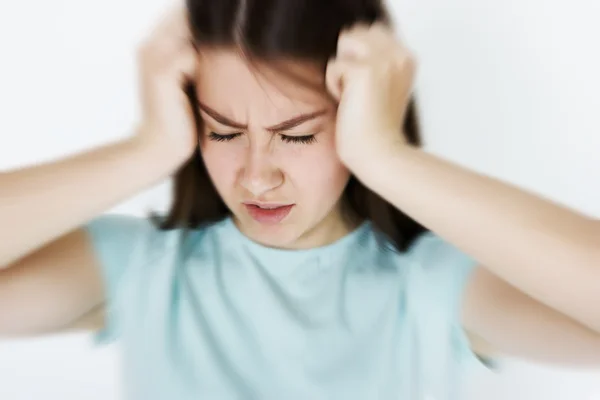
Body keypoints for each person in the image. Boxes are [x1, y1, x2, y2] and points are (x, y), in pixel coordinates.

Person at [0, 0, 599, 399]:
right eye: (224, 132)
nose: (257, 178)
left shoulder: (429, 284)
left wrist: (387, 158)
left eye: (298, 135)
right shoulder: (145, 272)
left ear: (361, 114)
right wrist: (148, 149)